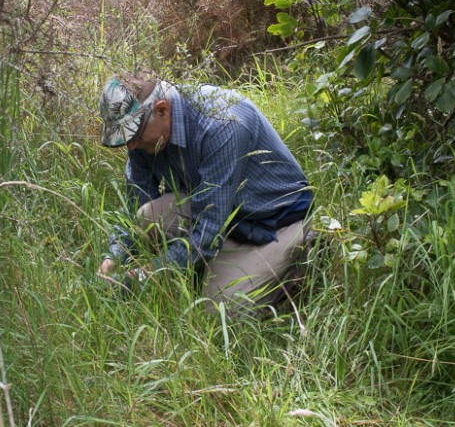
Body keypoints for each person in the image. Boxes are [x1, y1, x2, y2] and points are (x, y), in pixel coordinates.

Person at [97, 73, 313, 310]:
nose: (130, 145)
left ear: (161, 110)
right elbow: (135, 201)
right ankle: (210, 266)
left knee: (219, 308)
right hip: (221, 210)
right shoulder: (143, 134)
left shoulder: (221, 124)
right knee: (145, 218)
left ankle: (302, 258)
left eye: (134, 135)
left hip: (275, 220)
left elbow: (207, 234)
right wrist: (113, 257)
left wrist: (142, 276)